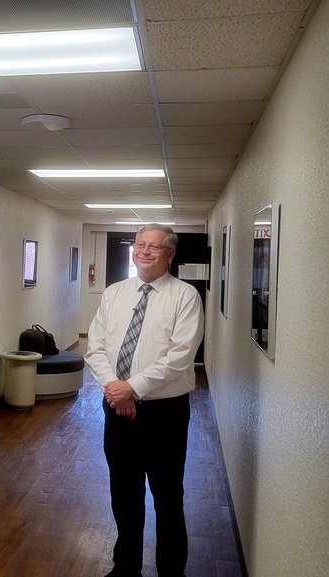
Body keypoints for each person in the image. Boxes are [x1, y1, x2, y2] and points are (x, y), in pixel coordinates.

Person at [84, 223, 205, 577]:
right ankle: (125, 569)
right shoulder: (114, 293)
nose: (144, 251)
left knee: (167, 498)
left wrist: (132, 388)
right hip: (117, 411)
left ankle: (171, 572)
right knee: (124, 494)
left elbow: (180, 357)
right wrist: (115, 388)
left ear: (170, 254)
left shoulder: (185, 296)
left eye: (154, 246)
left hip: (164, 415)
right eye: (140, 244)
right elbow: (95, 348)